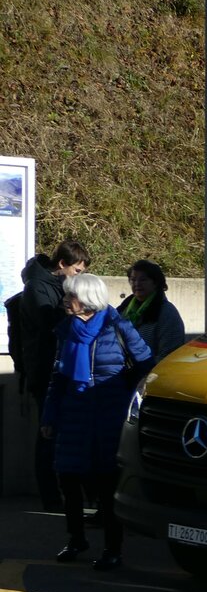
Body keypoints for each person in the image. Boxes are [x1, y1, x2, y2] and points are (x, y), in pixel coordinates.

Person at [42, 273, 152, 571]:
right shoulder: (66, 329)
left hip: (108, 417)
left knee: (106, 485)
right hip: (74, 414)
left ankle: (112, 548)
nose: (65, 301)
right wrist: (49, 416)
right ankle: (76, 539)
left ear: (87, 299)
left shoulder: (117, 326)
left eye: (70, 296)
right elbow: (58, 377)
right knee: (68, 479)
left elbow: (146, 366)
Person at [18, 239, 90, 512]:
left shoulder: (56, 286)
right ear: (62, 264)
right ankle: (50, 496)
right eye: (77, 271)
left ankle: (64, 493)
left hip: (58, 369)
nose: (78, 277)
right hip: (44, 371)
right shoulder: (38, 287)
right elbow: (49, 325)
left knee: (57, 432)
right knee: (47, 433)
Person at [117, 259, 185, 363]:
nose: (137, 284)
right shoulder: (124, 309)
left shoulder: (166, 312)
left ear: (156, 282)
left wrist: (142, 370)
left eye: (143, 280)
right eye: (133, 280)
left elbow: (169, 354)